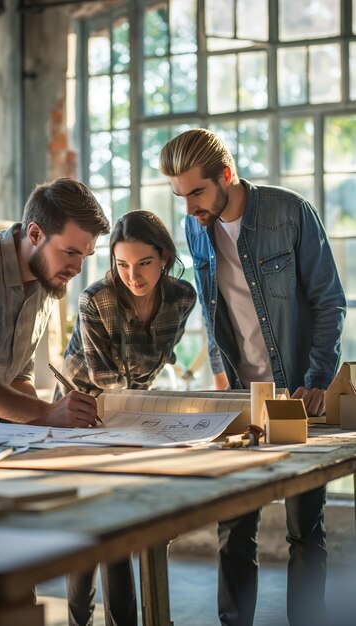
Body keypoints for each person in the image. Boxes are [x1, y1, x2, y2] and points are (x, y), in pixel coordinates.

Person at [159, 128, 346, 626]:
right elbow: (210, 303)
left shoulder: (290, 213)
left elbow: (330, 302)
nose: (191, 206)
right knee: (233, 527)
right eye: (180, 196)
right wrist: (222, 376)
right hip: (242, 398)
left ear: (226, 175)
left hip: (301, 393)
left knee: (306, 529)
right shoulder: (197, 226)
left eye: (197, 192)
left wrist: (317, 379)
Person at [56, 210, 197, 626]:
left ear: (165, 258)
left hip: (135, 414)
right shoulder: (95, 299)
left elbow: (159, 360)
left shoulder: (182, 297)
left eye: (144, 264)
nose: (132, 276)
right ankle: (79, 620)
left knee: (121, 524)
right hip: (79, 415)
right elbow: (106, 379)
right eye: (121, 265)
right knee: (90, 526)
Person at [0, 177, 109, 428]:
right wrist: (49, 413)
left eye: (84, 255)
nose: (77, 268)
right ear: (35, 234)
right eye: (70, 252)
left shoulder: (46, 279)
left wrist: (48, 427)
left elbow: (18, 375)